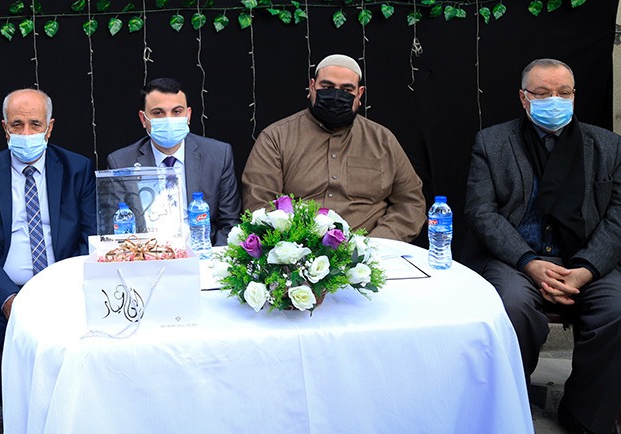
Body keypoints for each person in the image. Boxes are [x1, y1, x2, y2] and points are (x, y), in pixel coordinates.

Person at [465, 58, 621, 434]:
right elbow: (481, 211)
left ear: (574, 96)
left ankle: (585, 414)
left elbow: (618, 215)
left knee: (617, 308)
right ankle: (510, 406)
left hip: (585, 259)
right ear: (524, 98)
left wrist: (586, 269)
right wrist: (529, 262)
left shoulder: (608, 146)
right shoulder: (492, 142)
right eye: (542, 93)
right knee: (512, 307)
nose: (555, 100)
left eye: (563, 93)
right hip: (517, 258)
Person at [0, 88, 97, 434]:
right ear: (5, 128)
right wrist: (8, 297)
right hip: (1, 295)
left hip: (63, 291)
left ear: (49, 127)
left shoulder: (77, 169)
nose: (26, 133)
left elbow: (90, 238)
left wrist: (59, 289)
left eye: (35, 124)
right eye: (17, 125)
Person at [241, 53, 425, 241]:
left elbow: (411, 203)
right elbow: (259, 206)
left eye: (347, 89)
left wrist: (374, 245)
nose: (336, 96)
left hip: (375, 251)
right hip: (299, 252)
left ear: (359, 94)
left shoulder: (382, 140)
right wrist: (298, 247)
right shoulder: (276, 138)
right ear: (312, 86)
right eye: (327, 87)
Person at [106, 77, 241, 244]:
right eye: (158, 113)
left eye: (177, 111)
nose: (168, 119)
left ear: (188, 115)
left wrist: (212, 258)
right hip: (147, 253)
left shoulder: (218, 155)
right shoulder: (121, 162)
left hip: (203, 252)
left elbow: (229, 223)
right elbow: (118, 229)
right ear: (143, 119)